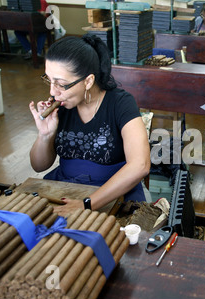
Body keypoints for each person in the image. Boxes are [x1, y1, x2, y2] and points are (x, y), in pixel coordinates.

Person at [29, 34, 151, 216]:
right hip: (64, 189)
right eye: (49, 80)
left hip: (112, 194)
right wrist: (45, 134)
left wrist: (87, 204)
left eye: (61, 84)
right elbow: (38, 166)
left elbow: (140, 165)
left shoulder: (120, 103)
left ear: (88, 81)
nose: (53, 92)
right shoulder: (61, 106)